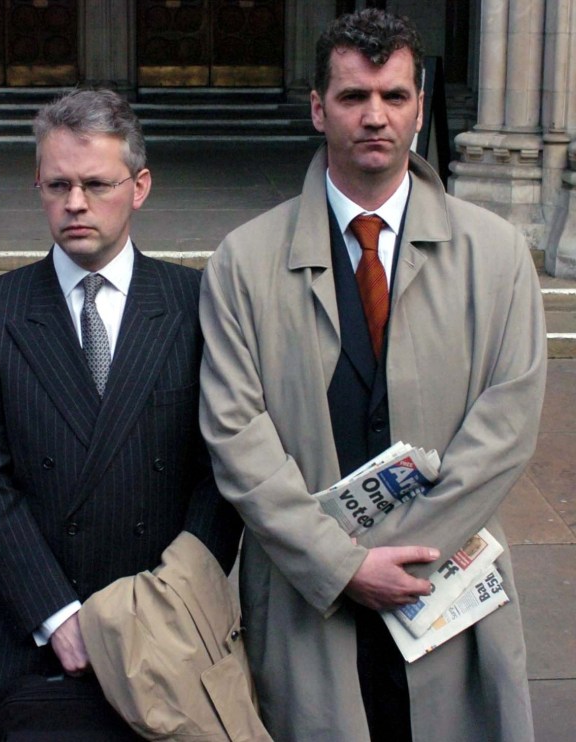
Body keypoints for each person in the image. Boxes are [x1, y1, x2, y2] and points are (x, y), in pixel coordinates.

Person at [199, 9, 546, 742]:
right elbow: (236, 436)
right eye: (355, 97)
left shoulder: (499, 254)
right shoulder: (243, 259)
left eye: (394, 96)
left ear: (420, 107)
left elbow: (506, 427)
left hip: (446, 589)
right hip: (309, 595)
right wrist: (343, 566)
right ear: (319, 107)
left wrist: (408, 558)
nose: (375, 116)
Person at [0, 89, 241, 698]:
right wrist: (56, 615)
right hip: (43, 630)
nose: (75, 204)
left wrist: (177, 597)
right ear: (38, 186)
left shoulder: (197, 303)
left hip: (170, 620)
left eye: (97, 184)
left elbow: (222, 468)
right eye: (57, 186)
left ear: (139, 187)